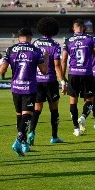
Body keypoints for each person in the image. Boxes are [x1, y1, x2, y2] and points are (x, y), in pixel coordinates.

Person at [0, 28, 47, 156]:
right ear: (30, 38)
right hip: (29, 87)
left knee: (19, 115)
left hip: (16, 87)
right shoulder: (36, 50)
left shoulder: (10, 50)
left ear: (19, 37)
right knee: (27, 115)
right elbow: (43, 71)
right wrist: (46, 59)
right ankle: (18, 141)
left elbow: (2, 70)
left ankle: (24, 144)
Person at [28, 17, 64, 146]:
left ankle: (31, 132)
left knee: (37, 109)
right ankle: (54, 136)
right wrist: (63, 81)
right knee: (54, 109)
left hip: (37, 81)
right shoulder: (55, 45)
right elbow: (57, 66)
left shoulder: (35, 44)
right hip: (50, 80)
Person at [61, 19, 95, 136]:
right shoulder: (90, 39)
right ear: (83, 28)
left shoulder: (68, 41)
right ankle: (83, 116)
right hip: (87, 74)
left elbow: (63, 61)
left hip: (73, 73)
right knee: (90, 100)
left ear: (74, 28)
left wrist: (63, 77)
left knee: (73, 101)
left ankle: (76, 129)